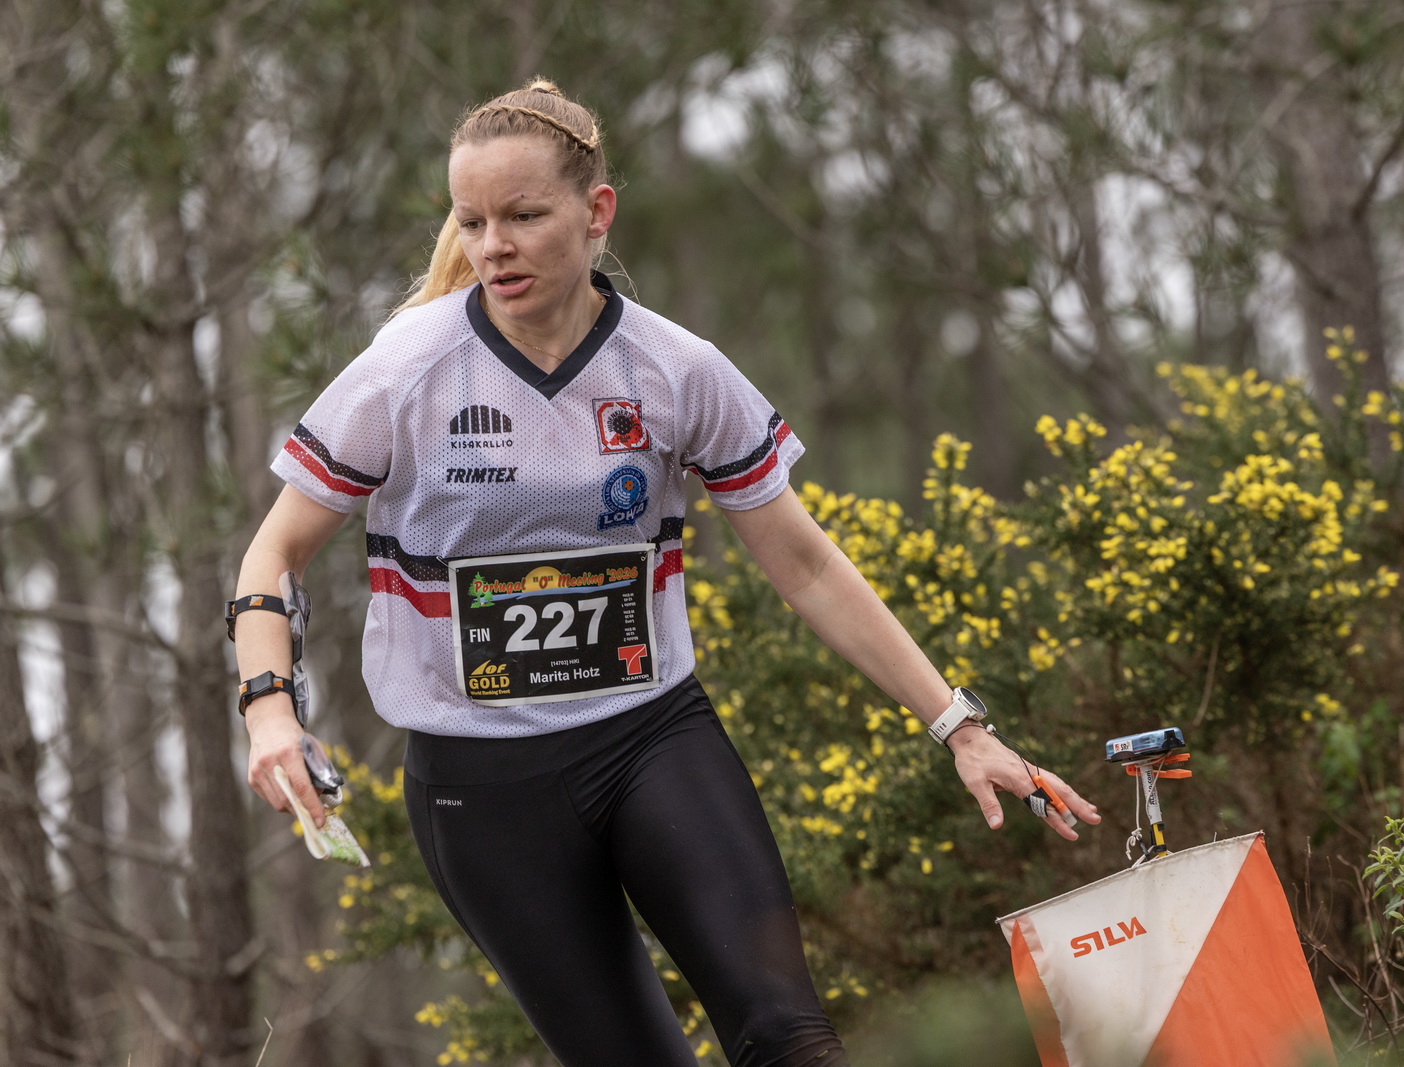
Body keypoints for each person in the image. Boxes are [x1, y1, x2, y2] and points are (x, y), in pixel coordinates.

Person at [232, 78, 1100, 1067]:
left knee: (792, 1041)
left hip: (652, 739)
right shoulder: (406, 371)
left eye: (524, 216)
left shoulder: (677, 370)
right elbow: (272, 553)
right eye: (472, 222)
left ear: (596, 211)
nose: (493, 246)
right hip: (483, 782)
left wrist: (961, 727)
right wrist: (270, 713)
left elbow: (809, 567)